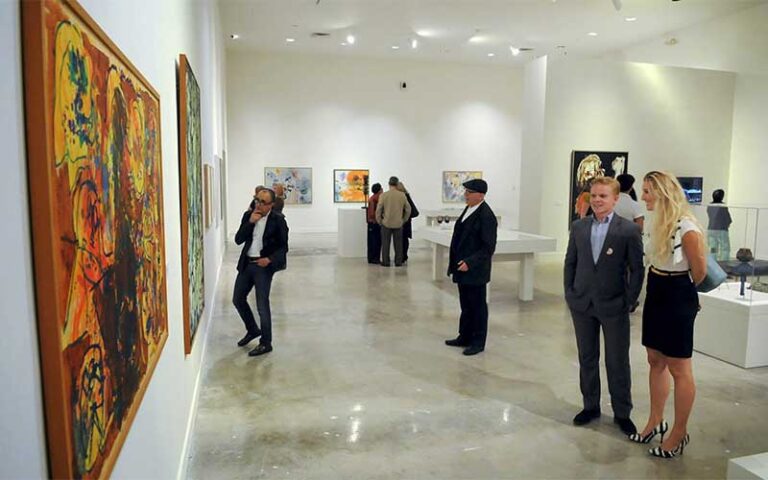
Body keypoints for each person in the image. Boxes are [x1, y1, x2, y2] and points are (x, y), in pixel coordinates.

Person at [632, 171, 706, 458]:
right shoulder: (658, 223)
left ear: (662, 193)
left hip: (677, 294)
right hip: (657, 287)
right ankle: (655, 421)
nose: (643, 197)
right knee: (655, 360)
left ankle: (679, 432)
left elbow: (698, 272)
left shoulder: (687, 228)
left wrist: (682, 298)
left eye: (648, 191)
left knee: (679, 367)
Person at [564, 176, 644, 436]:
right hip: (582, 304)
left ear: (615, 199)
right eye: (594, 195)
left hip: (614, 305)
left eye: (603, 196)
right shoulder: (579, 227)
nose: (597, 200)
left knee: (616, 361)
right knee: (587, 358)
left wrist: (629, 301)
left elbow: (637, 269)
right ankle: (590, 406)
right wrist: (570, 294)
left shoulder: (628, 230)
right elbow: (570, 263)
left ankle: (622, 412)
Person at [232, 188, 289, 357]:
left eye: (263, 202)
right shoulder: (248, 216)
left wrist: (269, 259)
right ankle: (252, 329)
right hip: (246, 264)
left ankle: (266, 343)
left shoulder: (278, 220)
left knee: (262, 306)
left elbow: (283, 246)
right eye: (257, 200)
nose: (259, 204)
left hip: (263, 267)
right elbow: (238, 240)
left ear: (271, 204)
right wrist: (250, 222)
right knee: (237, 299)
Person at [444, 179, 497, 356]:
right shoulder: (469, 209)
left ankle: (478, 341)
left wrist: (470, 262)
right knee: (466, 305)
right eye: (466, 192)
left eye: (469, 192)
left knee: (478, 306)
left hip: (475, 270)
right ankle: (464, 336)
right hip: (462, 267)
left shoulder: (486, 215)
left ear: (480, 195)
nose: (465, 195)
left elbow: (488, 247)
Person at [375, 176, 411, 267]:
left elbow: (378, 210)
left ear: (389, 184)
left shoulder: (383, 195)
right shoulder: (402, 195)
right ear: (397, 184)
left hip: (386, 223)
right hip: (398, 223)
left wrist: (380, 221)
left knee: (385, 244)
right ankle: (398, 262)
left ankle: (386, 262)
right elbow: (408, 209)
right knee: (398, 245)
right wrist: (404, 219)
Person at [396, 181, 419, 263]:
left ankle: (401, 256)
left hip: (402, 220)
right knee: (405, 239)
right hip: (407, 221)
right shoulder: (406, 195)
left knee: (401, 239)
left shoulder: (401, 196)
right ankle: (404, 256)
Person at [707, 189, 732, 261]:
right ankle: (724, 263)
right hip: (722, 229)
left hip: (711, 228)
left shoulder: (709, 206)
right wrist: (728, 224)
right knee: (725, 248)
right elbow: (727, 218)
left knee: (713, 247)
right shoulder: (723, 206)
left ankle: (712, 261)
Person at [366, 183, 383, 264]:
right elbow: (372, 213)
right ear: (379, 190)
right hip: (374, 223)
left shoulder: (372, 198)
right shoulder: (374, 199)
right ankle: (375, 258)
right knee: (376, 241)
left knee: (372, 241)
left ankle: (372, 258)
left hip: (372, 223)